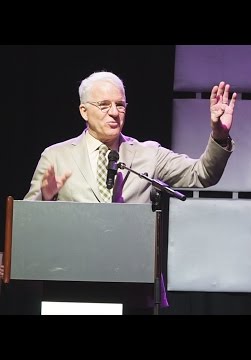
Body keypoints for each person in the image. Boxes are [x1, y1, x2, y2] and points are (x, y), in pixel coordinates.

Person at [0, 71, 237, 313]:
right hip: (71, 285)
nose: (114, 112)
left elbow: (202, 174)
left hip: (133, 288)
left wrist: (219, 135)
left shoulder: (148, 154)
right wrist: (46, 199)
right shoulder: (56, 156)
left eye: (120, 105)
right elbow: (26, 229)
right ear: (84, 111)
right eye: (104, 105)